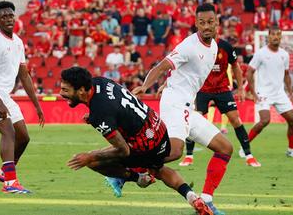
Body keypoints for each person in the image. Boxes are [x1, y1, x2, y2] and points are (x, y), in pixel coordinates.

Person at [60, 67, 212, 215]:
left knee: (93, 160)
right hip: (158, 127)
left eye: (65, 90)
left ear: (81, 90)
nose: (61, 93)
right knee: (157, 168)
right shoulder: (100, 82)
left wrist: (90, 157)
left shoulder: (100, 114)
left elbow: (123, 150)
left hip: (146, 144)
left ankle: (138, 178)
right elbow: (117, 106)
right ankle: (192, 197)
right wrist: (101, 118)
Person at [132, 3, 232, 215]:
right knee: (175, 151)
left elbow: (187, 74)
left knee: (225, 148)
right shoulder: (189, 45)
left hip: (187, 105)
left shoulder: (214, 47)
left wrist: (169, 82)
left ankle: (206, 200)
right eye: (202, 23)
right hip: (175, 103)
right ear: (196, 24)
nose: (206, 26)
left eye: (210, 22)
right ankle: (129, 166)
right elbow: (162, 66)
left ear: (217, 23)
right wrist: (145, 86)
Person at [0, 1, 45, 194]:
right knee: (9, 132)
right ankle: (10, 183)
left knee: (24, 136)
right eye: (3, 16)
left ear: (15, 17)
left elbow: (24, 75)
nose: (8, 19)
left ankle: (4, 172)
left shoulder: (17, 42)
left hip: (3, 94)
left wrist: (37, 105)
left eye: (10, 15)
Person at [180, 38, 261, 167]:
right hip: (203, 89)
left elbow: (235, 66)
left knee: (236, 120)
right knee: (193, 120)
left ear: (216, 26)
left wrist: (240, 88)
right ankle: (189, 156)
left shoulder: (225, 46)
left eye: (212, 23)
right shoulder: (195, 45)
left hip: (222, 89)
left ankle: (249, 156)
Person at [246, 26, 293, 158]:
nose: (276, 37)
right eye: (273, 34)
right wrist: (253, 92)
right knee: (265, 120)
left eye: (278, 34)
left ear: (281, 37)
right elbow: (249, 72)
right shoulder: (261, 53)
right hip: (263, 93)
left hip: (279, 93)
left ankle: (291, 150)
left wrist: (291, 93)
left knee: (292, 121)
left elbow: (287, 75)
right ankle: (245, 147)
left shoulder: (284, 54)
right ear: (269, 36)